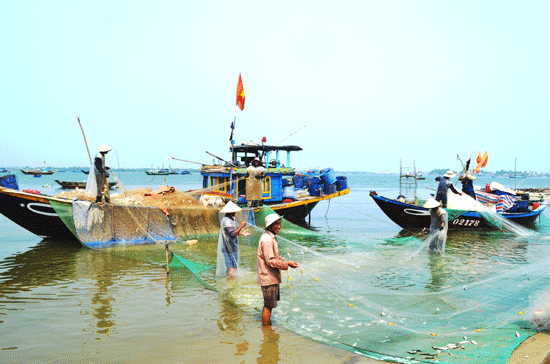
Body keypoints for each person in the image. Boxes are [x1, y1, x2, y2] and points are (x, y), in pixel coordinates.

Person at [257, 213, 299, 326]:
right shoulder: (267, 240)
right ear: (270, 226)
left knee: (270, 305)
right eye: (276, 224)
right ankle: (266, 330)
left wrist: (279, 259)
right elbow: (270, 261)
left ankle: (266, 329)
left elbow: (269, 257)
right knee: (268, 306)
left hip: (271, 277)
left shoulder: (270, 237)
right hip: (268, 278)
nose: (279, 226)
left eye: (279, 223)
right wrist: (287, 264)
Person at [217, 201, 249, 279]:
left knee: (230, 267)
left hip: (230, 247)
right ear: (231, 211)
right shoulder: (227, 220)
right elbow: (232, 234)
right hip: (229, 248)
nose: (235, 212)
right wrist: (242, 226)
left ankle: (229, 281)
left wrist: (241, 233)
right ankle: (229, 283)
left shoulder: (229, 219)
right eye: (234, 211)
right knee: (233, 268)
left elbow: (230, 233)